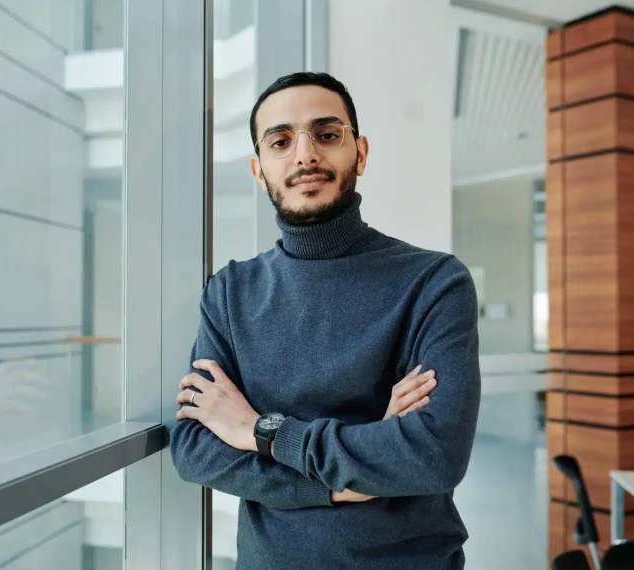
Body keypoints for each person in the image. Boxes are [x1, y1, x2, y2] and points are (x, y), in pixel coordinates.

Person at [169, 72, 481, 569]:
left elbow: (433, 454)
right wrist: (346, 481)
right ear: (258, 169)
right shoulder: (230, 291)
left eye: (327, 134)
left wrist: (260, 431)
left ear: (360, 152)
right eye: (281, 141)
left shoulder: (434, 281)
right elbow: (194, 449)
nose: (305, 154)